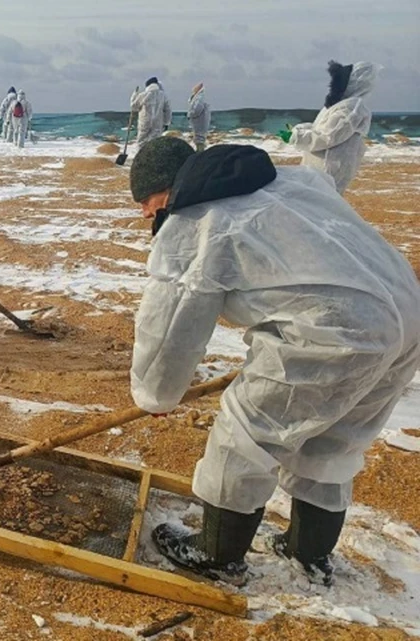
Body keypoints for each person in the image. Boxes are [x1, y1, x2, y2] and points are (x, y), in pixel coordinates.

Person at [127, 137, 420, 586]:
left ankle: (217, 555)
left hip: (332, 330)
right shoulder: (288, 182)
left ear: (166, 188)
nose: (146, 215)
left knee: (245, 430)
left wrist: (156, 393)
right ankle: (309, 552)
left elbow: (170, 325)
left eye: (146, 202)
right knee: (337, 437)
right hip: (405, 316)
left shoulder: (195, 218)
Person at [290, 60, 381, 194]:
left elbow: (328, 137)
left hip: (329, 167)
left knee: (320, 204)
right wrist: (298, 130)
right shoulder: (341, 105)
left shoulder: (352, 108)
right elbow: (320, 128)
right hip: (321, 166)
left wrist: (297, 136)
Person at [130, 77, 171, 149]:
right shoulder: (163, 96)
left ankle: (141, 157)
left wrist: (134, 94)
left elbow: (134, 107)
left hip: (144, 121)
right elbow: (167, 110)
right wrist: (166, 123)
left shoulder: (143, 95)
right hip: (157, 123)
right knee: (155, 142)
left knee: (141, 142)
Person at [187, 82, 210, 152]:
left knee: (199, 139)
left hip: (199, 122)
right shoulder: (198, 97)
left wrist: (190, 114)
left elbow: (197, 109)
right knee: (198, 139)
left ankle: (200, 154)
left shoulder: (200, 97)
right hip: (198, 122)